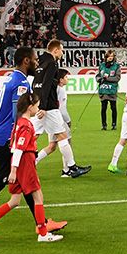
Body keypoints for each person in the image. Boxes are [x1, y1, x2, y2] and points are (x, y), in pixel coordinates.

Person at [0, 47, 65, 241]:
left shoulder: (9, 78)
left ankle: (41, 224)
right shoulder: (22, 84)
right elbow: (20, 115)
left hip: (1, 137)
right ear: (26, 61)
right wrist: (20, 140)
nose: (37, 63)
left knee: (26, 183)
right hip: (8, 141)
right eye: (35, 60)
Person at [0, 92, 63, 243]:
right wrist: (14, 170)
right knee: (38, 196)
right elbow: (19, 148)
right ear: (30, 107)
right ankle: (43, 233)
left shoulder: (19, 122)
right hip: (25, 163)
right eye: (37, 105)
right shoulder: (26, 126)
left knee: (14, 201)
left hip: (18, 162)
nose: (38, 108)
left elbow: (13, 146)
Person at [33, 40, 88, 178]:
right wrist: (44, 106)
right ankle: (71, 167)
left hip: (37, 103)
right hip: (49, 107)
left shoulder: (40, 62)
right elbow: (45, 85)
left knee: (31, 136)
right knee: (63, 136)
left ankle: (21, 161)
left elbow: (36, 83)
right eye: (62, 50)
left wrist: (37, 103)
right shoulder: (52, 63)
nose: (62, 54)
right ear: (55, 50)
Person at [97, 51, 121, 131]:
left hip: (112, 90)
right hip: (103, 90)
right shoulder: (102, 65)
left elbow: (117, 78)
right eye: (108, 56)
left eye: (112, 56)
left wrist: (107, 78)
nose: (110, 57)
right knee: (103, 108)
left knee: (113, 108)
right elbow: (98, 76)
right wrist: (100, 79)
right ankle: (104, 125)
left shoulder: (117, 66)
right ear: (106, 57)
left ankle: (114, 124)